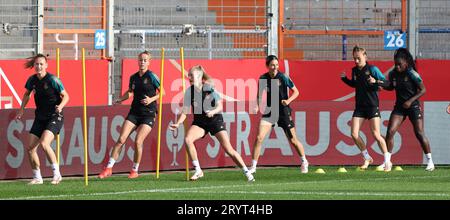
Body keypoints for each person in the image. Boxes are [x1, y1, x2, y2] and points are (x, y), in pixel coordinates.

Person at [169, 65, 255, 182]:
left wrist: (212, 112)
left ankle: (247, 172)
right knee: (188, 139)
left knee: (229, 149)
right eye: (188, 75)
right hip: (200, 122)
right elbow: (185, 111)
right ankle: (198, 170)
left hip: (214, 120)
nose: (189, 77)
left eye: (191, 75)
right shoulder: (189, 92)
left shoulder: (208, 88)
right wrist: (178, 123)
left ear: (199, 77)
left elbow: (220, 105)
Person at [99, 51, 160, 179]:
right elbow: (130, 92)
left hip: (148, 114)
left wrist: (151, 99)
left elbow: (162, 92)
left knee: (138, 141)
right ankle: (109, 168)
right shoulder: (133, 77)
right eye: (140, 60)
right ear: (137, 61)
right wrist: (120, 99)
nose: (142, 62)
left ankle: (134, 170)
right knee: (121, 139)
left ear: (149, 62)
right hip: (135, 112)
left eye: (145, 60)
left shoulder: (152, 76)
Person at [376, 48, 434, 171]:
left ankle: (430, 161)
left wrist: (410, 101)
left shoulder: (412, 73)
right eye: (395, 64)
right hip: (400, 107)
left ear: (406, 63)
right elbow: (391, 86)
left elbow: (423, 90)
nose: (397, 67)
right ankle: (387, 162)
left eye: (399, 64)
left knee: (419, 133)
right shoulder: (393, 74)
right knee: (390, 132)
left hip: (413, 107)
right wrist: (380, 83)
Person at [248, 55, 309, 174]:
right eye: (272, 65)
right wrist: (257, 105)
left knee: (293, 140)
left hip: (283, 111)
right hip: (270, 111)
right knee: (259, 138)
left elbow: (296, 92)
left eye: (276, 65)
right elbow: (259, 95)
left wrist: (288, 101)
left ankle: (304, 161)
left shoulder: (283, 77)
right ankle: (253, 167)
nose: (275, 67)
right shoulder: (263, 78)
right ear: (267, 66)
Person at [16, 54, 69, 185]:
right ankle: (37, 177)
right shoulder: (32, 80)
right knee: (30, 148)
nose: (39, 66)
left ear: (46, 65)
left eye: (41, 64)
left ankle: (57, 174)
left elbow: (66, 96)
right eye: (36, 64)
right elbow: (26, 95)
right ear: (34, 66)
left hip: (54, 116)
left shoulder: (53, 80)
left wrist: (60, 106)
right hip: (40, 117)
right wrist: (21, 110)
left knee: (45, 144)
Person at [340, 46, 392, 171]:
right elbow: (355, 84)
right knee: (354, 134)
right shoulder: (354, 70)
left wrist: (376, 81)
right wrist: (345, 80)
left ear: (365, 56)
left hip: (372, 105)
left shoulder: (372, 69)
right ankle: (367, 157)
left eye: (358, 58)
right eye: (354, 58)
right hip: (360, 107)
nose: (356, 61)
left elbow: (387, 83)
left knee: (376, 134)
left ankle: (387, 162)